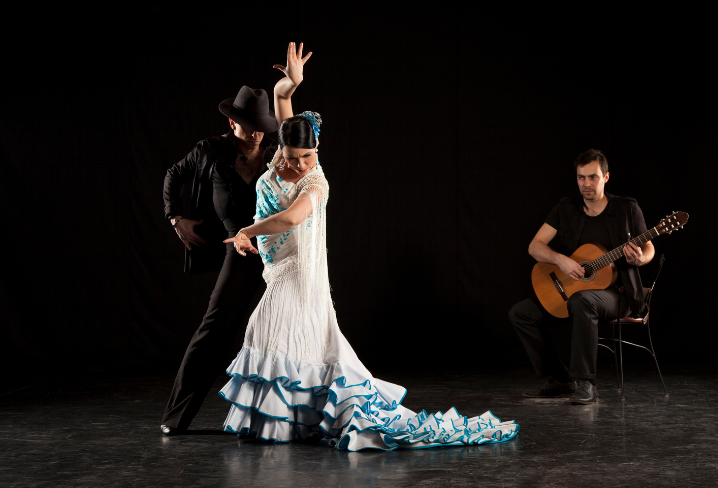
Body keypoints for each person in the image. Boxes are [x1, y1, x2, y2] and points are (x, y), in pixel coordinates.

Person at [218, 42, 520, 451]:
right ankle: (291, 422)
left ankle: (283, 424)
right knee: (292, 345)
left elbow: (290, 219)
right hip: (275, 267)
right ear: (281, 148)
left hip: (298, 274)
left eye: (308, 156)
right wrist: (291, 82)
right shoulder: (279, 161)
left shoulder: (316, 182)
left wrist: (246, 233)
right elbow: (281, 97)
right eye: (292, 156)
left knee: (267, 333)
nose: (300, 164)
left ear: (317, 151)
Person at [160, 85, 279, 434]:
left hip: (278, 249)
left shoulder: (275, 155)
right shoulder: (210, 151)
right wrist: (175, 218)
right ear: (232, 122)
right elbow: (173, 176)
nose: (257, 133)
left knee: (278, 331)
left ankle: (284, 422)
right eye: (249, 125)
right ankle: (176, 417)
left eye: (262, 125)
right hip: (238, 250)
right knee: (214, 331)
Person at [508, 149, 654, 405]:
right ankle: (562, 380)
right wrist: (560, 260)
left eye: (593, 177)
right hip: (572, 290)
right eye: (581, 178)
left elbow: (649, 248)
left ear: (606, 177)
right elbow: (535, 246)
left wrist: (639, 259)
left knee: (582, 300)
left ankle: (586, 384)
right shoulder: (565, 208)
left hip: (617, 295)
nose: (586, 184)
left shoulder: (627, 208)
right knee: (521, 313)